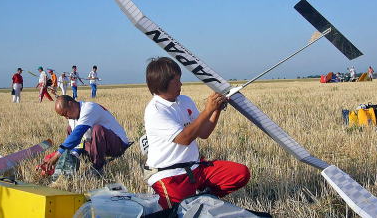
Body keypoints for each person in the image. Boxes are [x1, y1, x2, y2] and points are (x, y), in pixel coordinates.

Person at [143, 57, 250, 209]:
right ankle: (195, 201)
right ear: (162, 83)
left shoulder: (185, 100)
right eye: (177, 80)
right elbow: (185, 138)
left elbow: (204, 132)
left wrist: (216, 109)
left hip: (195, 168)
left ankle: (203, 197)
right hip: (169, 175)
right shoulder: (156, 111)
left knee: (240, 173)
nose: (181, 84)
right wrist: (207, 110)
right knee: (179, 212)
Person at [42, 95, 130, 176]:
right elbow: (78, 141)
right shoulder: (72, 118)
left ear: (71, 104)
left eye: (65, 113)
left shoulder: (89, 108)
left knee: (97, 129)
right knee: (70, 130)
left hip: (118, 144)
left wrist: (56, 156)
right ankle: (69, 165)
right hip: (97, 144)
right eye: (63, 116)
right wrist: (55, 160)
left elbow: (76, 136)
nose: (66, 117)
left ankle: (98, 168)